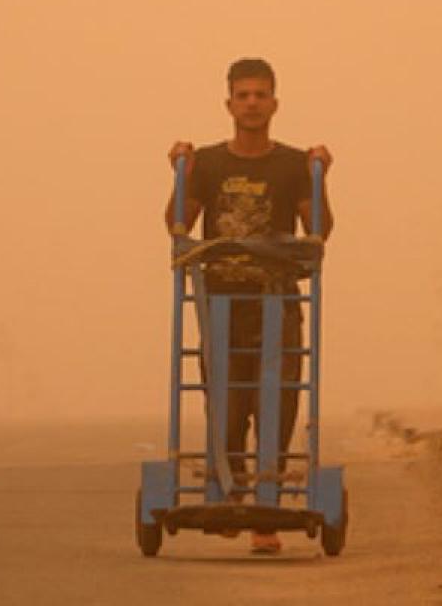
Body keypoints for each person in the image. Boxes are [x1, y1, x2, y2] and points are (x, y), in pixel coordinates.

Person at [165, 57, 333, 556]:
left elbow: (319, 231)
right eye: (244, 95)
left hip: (277, 301)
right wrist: (178, 174)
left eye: (261, 95)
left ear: (274, 103)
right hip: (220, 301)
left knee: (277, 401)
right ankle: (230, 495)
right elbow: (178, 225)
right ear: (229, 103)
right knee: (227, 401)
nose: (252, 103)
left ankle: (267, 511)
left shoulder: (292, 164)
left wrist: (320, 176)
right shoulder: (211, 163)